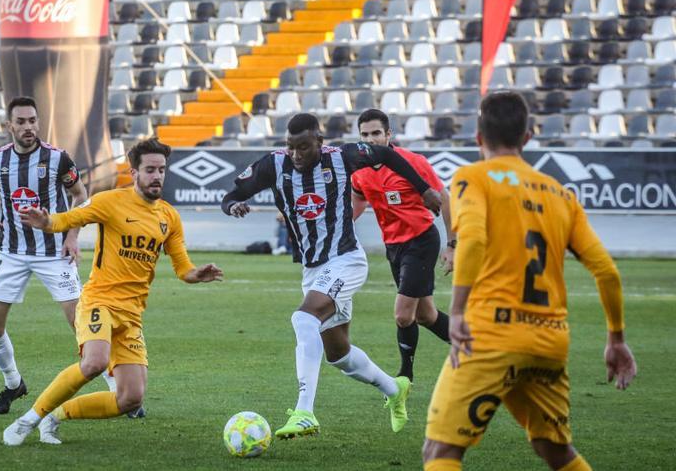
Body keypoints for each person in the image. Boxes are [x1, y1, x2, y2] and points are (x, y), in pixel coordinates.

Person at [422, 92, 637, 471]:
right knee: (555, 450)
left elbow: (472, 238)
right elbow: (607, 271)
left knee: (440, 452)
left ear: (477, 137)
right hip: (548, 340)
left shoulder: (472, 177)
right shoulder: (560, 194)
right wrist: (616, 338)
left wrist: (455, 312)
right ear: (528, 137)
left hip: (491, 335)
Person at [221, 113, 442, 438]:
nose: (297, 155)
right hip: (313, 270)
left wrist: (423, 189)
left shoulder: (342, 157)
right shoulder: (273, 164)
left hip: (345, 261)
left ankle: (305, 411)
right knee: (338, 354)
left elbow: (386, 154)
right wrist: (233, 207)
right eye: (291, 147)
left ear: (319, 143)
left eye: (304, 147)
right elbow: (232, 195)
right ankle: (394, 390)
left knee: (303, 319)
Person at [3, 138, 223, 446]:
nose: (157, 176)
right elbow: (71, 218)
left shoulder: (169, 217)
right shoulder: (109, 201)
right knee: (95, 362)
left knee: (130, 399)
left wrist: (195, 275)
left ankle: (55, 416)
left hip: (131, 315)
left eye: (161, 170)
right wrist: (47, 222)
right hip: (99, 301)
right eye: (150, 170)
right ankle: (28, 419)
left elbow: (182, 266)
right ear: (133, 173)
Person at [0, 96, 87, 415]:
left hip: (54, 251)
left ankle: (118, 389)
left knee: (81, 325)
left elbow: (81, 196)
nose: (29, 127)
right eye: (22, 122)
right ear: (8, 126)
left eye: (33, 121)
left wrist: (72, 235)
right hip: (11, 252)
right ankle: (14, 384)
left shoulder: (58, 159)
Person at [351, 109, 454, 382]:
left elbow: (445, 199)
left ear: (388, 135)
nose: (371, 140)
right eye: (365, 134)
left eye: (376, 133)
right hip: (394, 246)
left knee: (402, 315)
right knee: (426, 315)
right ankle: (476, 346)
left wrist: (452, 244)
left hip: (421, 241)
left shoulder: (412, 162)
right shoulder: (359, 169)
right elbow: (358, 200)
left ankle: (404, 377)